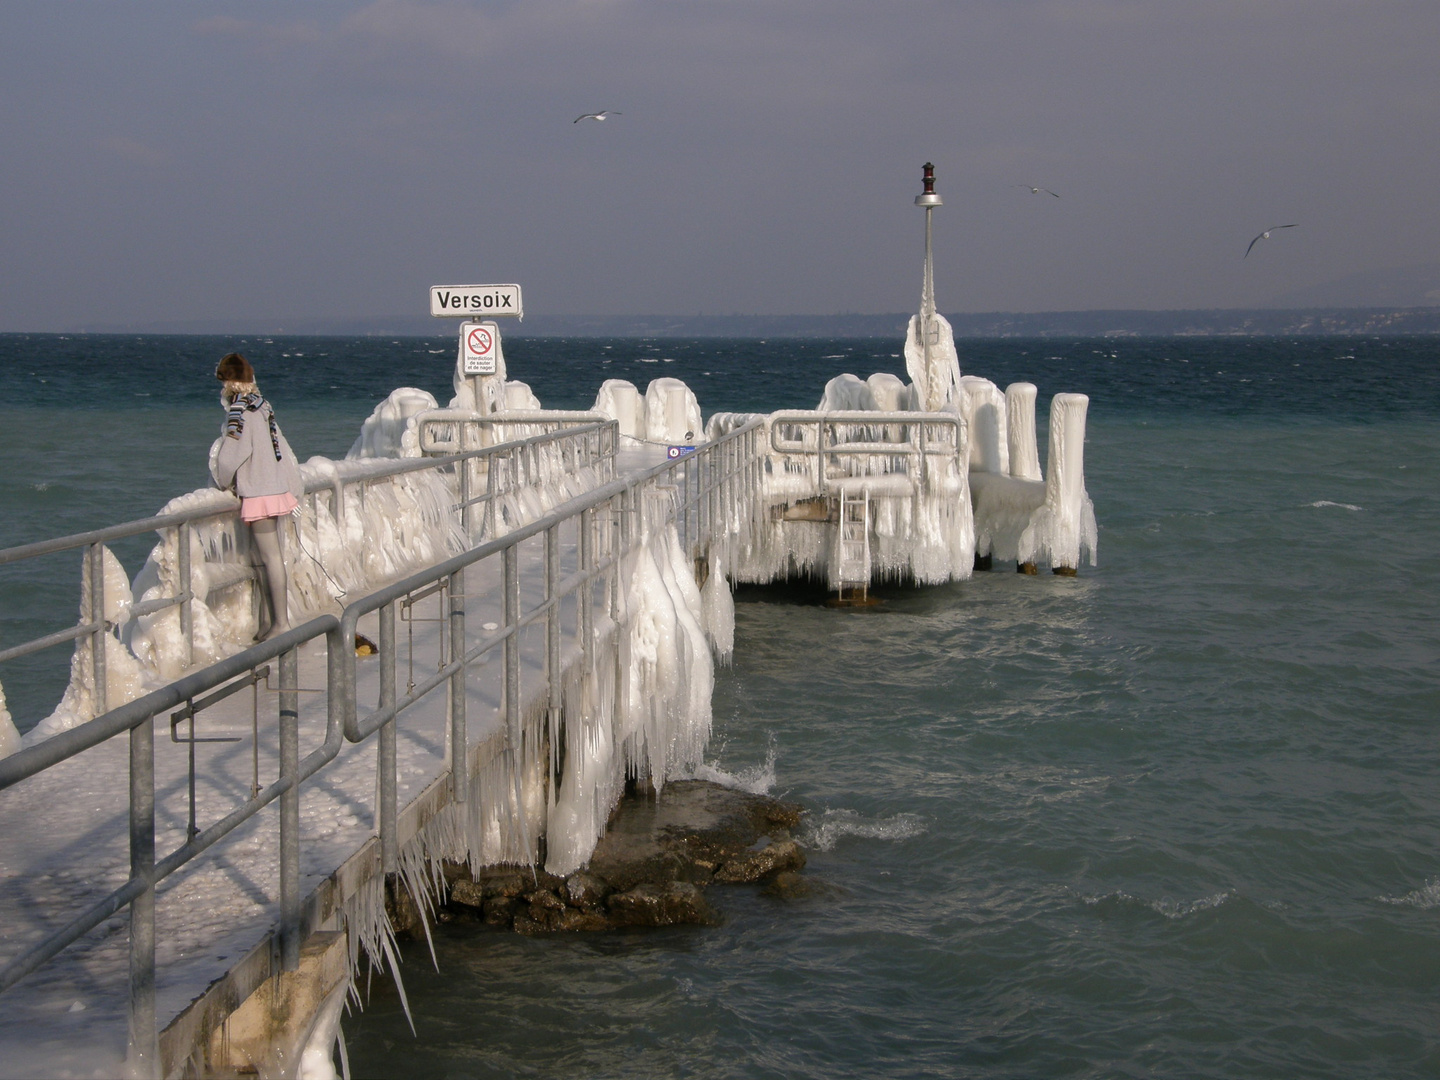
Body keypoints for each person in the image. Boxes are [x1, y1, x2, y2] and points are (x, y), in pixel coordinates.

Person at [212, 353, 304, 641]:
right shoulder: (263, 407)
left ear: (229, 382)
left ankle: (280, 623)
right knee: (268, 558)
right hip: (275, 487)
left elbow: (232, 455)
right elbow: (278, 448)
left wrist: (221, 480)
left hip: (259, 491)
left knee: (270, 558)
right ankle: (271, 621)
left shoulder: (240, 411)